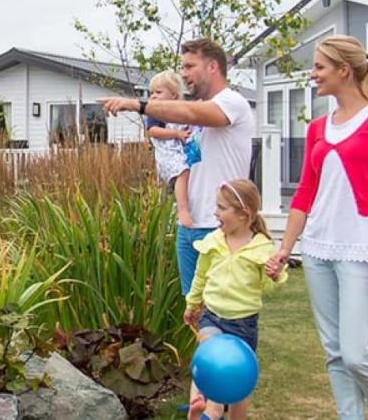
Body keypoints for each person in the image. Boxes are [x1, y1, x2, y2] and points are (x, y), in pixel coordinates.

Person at [265, 35, 368, 420]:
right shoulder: (317, 128)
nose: (312, 75)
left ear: (343, 70)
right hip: (317, 249)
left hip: (363, 251)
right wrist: (285, 249)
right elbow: (304, 193)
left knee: (357, 353)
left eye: (319, 67)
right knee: (334, 351)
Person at [100, 38, 254, 295]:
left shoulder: (232, 102)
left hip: (222, 227)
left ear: (212, 67)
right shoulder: (196, 113)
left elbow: (189, 112)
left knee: (227, 311)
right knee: (194, 311)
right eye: (182, 67)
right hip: (190, 224)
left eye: (190, 66)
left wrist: (137, 105)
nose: (184, 74)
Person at [184, 178, 286, 420]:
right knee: (207, 357)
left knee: (239, 384)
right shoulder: (213, 241)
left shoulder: (261, 248)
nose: (215, 212)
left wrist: (274, 275)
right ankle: (203, 411)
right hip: (212, 318)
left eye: (221, 208)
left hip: (243, 325)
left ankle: (228, 414)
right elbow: (200, 276)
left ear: (243, 214)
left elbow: (268, 288)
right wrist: (192, 303)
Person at [145, 70, 194, 227]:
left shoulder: (180, 109)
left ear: (173, 95)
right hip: (167, 153)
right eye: (151, 93)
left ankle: (180, 209)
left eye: (158, 92)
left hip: (180, 151)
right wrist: (176, 133)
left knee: (189, 176)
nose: (153, 96)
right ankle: (183, 210)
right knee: (182, 172)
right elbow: (153, 131)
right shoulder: (155, 112)